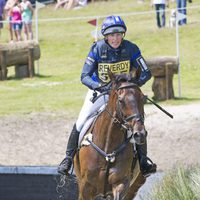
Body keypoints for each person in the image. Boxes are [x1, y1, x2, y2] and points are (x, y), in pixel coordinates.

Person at [58, 15, 157, 176]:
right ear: (106, 36)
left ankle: (143, 160)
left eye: (119, 34)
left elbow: (146, 72)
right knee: (81, 121)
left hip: (123, 94)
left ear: (123, 35)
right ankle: (68, 158)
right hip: (101, 92)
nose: (115, 38)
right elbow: (85, 76)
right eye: (112, 35)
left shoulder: (131, 49)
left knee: (137, 121)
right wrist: (99, 87)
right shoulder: (97, 49)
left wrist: (132, 85)